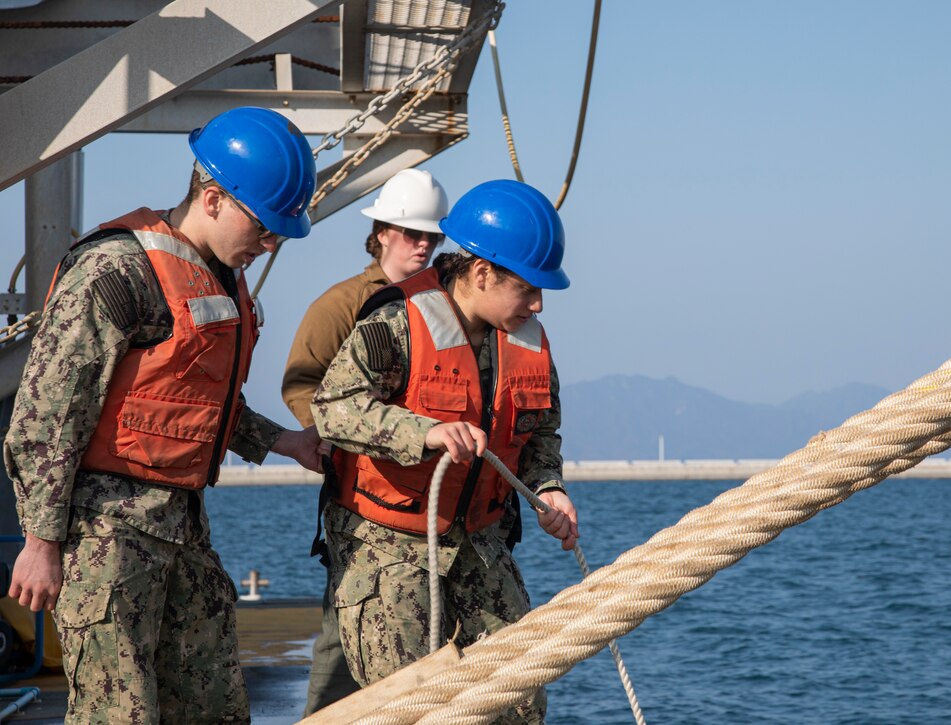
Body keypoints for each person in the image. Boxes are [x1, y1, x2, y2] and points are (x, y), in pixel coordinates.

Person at [4, 106, 325, 723]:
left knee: (215, 709)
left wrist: (286, 442)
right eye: (264, 226)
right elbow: (46, 415)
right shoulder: (118, 271)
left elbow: (191, 406)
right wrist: (40, 541)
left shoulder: (224, 280)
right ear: (212, 199)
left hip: (183, 530)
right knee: (118, 715)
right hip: (105, 539)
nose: (271, 242)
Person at [311, 179, 578, 723]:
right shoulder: (395, 324)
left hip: (480, 544)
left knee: (520, 699)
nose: (539, 303)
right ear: (482, 274)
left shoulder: (529, 343)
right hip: (388, 548)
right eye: (528, 288)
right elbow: (332, 408)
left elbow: (540, 435)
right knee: (410, 707)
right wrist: (421, 432)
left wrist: (549, 488)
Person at [280, 167, 448, 715]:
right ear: (381, 233)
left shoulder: (447, 304)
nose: (424, 245)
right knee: (345, 622)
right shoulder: (343, 304)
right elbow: (304, 382)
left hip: (434, 498)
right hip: (362, 497)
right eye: (412, 233)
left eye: (433, 236)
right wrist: (329, 438)